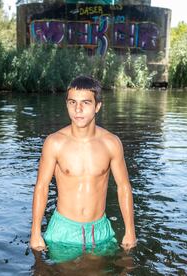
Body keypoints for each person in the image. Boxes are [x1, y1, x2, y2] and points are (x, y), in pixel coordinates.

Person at [30, 75, 136, 262]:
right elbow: (41, 187)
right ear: (67, 104)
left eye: (85, 103)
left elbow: (124, 187)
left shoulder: (111, 143)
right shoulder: (55, 143)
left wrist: (130, 231)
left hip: (99, 230)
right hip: (63, 231)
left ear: (97, 106)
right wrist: (35, 232)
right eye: (72, 102)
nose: (78, 109)